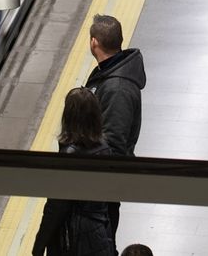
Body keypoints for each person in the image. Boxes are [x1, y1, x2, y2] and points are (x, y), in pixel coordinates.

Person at [31, 88, 116, 256]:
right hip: (99, 231)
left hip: (72, 238)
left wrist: (40, 244)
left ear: (68, 117)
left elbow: (56, 207)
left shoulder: (70, 155)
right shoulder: (105, 149)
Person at [85, 14, 145, 240]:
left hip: (103, 186)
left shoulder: (116, 88)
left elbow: (114, 143)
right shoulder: (109, 74)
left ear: (94, 42)